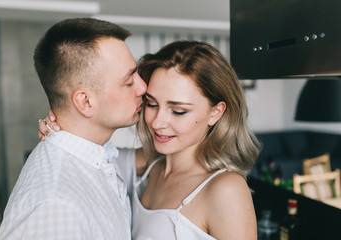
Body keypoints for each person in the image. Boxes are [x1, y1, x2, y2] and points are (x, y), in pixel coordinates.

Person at [40, 41, 261, 239]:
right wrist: (62, 121)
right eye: (152, 104)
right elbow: (86, 153)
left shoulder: (225, 189)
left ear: (216, 113)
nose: (157, 122)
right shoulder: (147, 166)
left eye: (178, 111)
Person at [0, 18, 146, 240]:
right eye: (128, 82)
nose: (143, 86)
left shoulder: (97, 156)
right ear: (85, 102)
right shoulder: (55, 206)